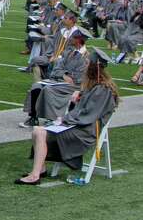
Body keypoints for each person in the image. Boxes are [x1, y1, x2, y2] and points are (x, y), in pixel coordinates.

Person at [15, 49, 119, 185]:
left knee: (40, 133)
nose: (85, 66)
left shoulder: (103, 90)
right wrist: (79, 94)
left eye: (87, 63)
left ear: (94, 67)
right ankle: (40, 169)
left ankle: (35, 176)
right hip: (78, 125)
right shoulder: (93, 86)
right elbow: (83, 109)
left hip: (85, 131)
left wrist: (64, 120)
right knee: (37, 130)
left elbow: (88, 116)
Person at [22, 27, 90, 128]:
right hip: (59, 80)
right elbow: (56, 69)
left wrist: (64, 75)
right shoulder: (68, 51)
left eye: (72, 37)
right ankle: (33, 117)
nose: (70, 39)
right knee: (37, 85)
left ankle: (51, 119)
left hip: (75, 86)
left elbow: (76, 78)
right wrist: (63, 75)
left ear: (79, 40)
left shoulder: (85, 57)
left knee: (49, 90)